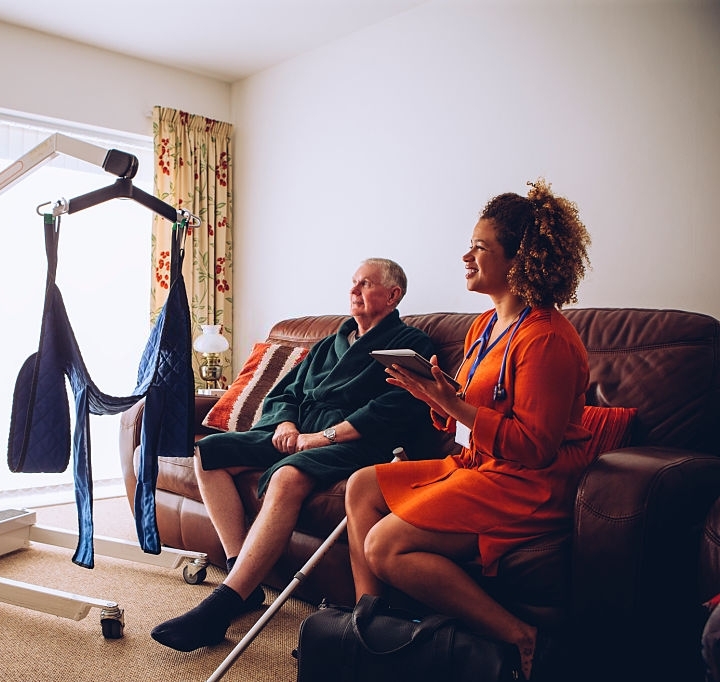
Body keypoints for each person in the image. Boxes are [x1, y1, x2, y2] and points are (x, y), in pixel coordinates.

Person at [344, 179, 592, 680]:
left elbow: (536, 447)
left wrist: (453, 405)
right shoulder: (483, 326)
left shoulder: (545, 338)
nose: (466, 255)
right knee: (361, 485)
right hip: (478, 465)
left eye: (480, 247)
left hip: (525, 483)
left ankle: (524, 639)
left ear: (518, 260)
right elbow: (466, 412)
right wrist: (433, 399)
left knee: (384, 545)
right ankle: (370, 630)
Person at [151, 258, 438, 652]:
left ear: (393, 295)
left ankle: (224, 603)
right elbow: (285, 392)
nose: (354, 290)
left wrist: (320, 437)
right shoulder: (327, 345)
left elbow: (391, 408)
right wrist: (285, 424)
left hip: (352, 443)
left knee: (288, 476)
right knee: (209, 453)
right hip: (295, 432)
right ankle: (241, 571)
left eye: (366, 284)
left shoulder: (410, 345)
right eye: (353, 283)